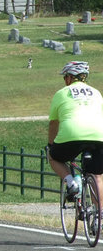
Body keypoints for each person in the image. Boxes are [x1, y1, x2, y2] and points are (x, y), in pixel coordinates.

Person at [47, 61, 103, 200]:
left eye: (65, 77)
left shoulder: (62, 93)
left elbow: (54, 123)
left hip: (71, 134)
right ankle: (100, 217)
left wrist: (50, 145)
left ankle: (72, 183)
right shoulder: (96, 93)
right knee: (97, 176)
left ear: (70, 77)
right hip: (98, 135)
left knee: (53, 157)